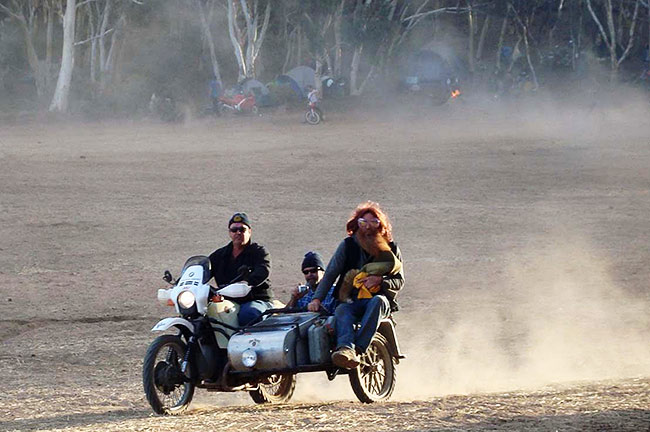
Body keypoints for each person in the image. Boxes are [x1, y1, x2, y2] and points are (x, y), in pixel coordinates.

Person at [308, 201, 404, 369]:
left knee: (379, 301)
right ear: (356, 224)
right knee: (342, 310)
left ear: (380, 226)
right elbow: (330, 273)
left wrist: (381, 281)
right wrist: (317, 299)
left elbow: (399, 280)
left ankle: (358, 348)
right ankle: (345, 349)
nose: (368, 227)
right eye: (363, 222)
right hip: (350, 299)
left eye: (373, 222)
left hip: (376, 300)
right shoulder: (347, 246)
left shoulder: (391, 249)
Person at [209, 212, 274, 326]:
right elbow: (204, 268)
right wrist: (184, 281)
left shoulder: (259, 252)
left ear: (249, 231)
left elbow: (263, 270)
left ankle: (250, 343)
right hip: (228, 299)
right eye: (234, 230)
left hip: (255, 299)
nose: (238, 233)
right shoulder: (220, 255)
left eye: (242, 229)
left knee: (249, 314)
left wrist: (248, 282)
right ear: (230, 233)